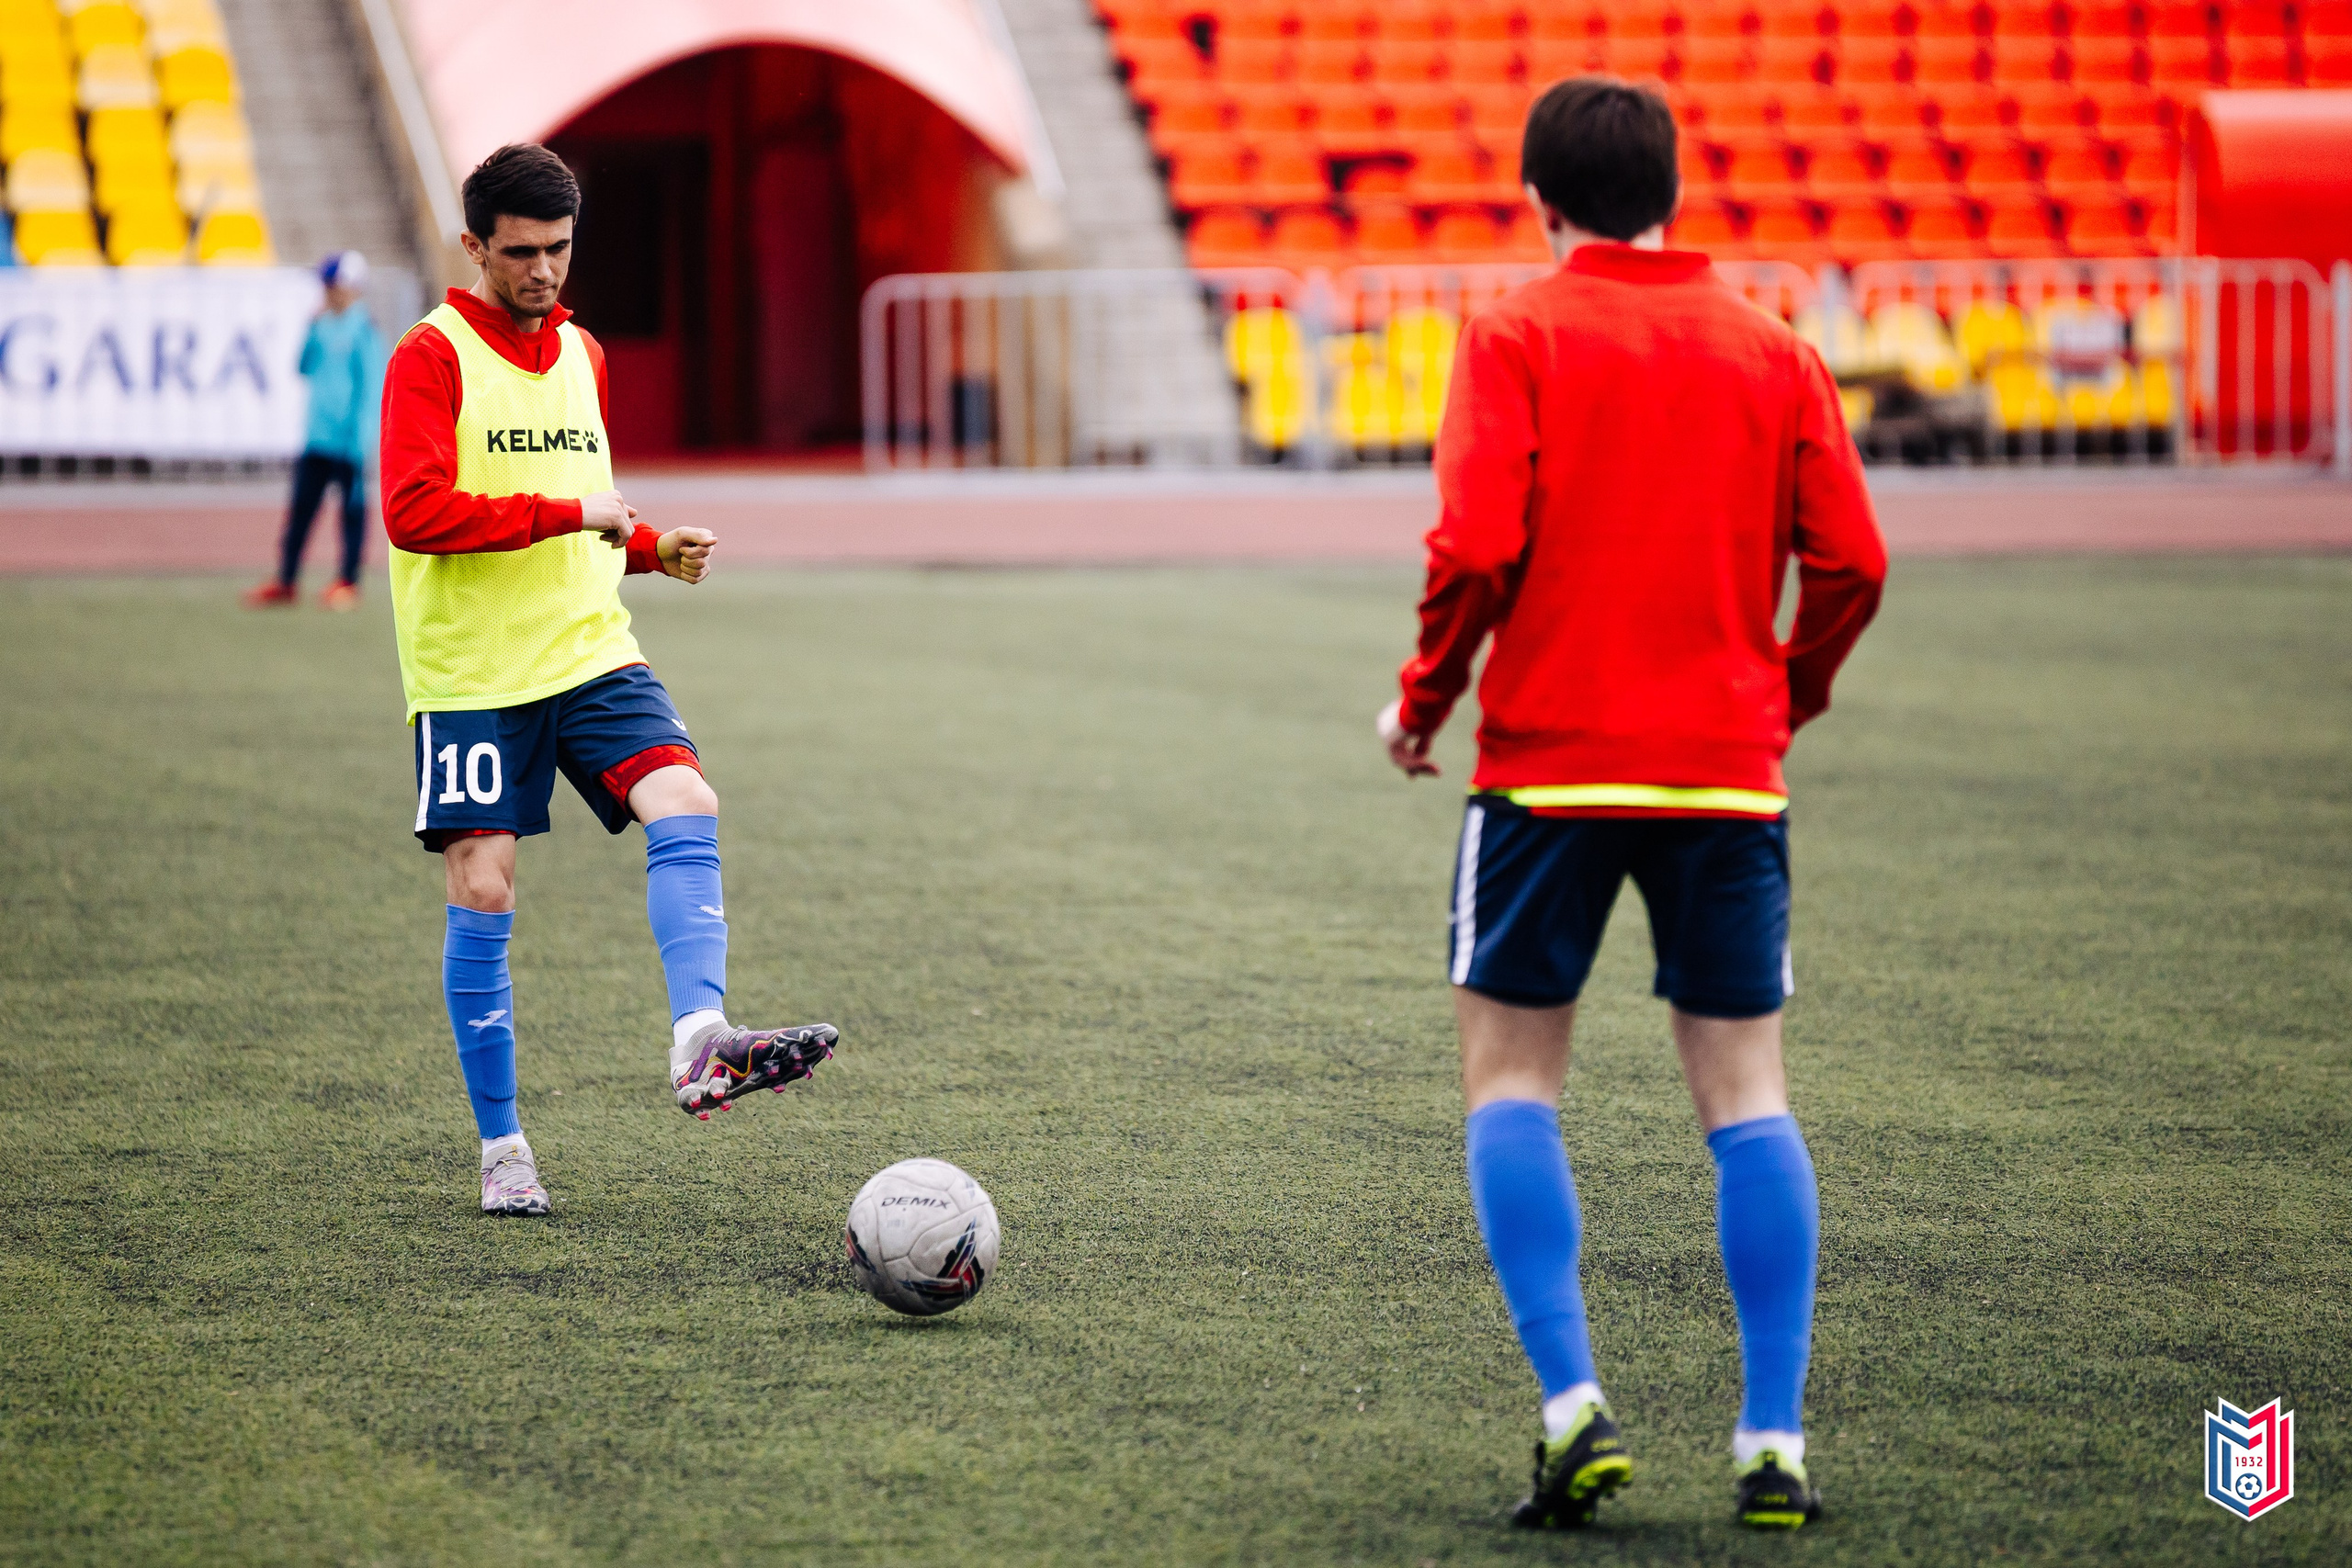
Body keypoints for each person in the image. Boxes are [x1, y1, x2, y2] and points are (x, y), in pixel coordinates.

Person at [1377, 78, 1886, 1531]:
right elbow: (1854, 561)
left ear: (1539, 200)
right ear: (1671, 195)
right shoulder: (1777, 350)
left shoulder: (1515, 332)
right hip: (1725, 768)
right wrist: (1785, 693)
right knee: (1748, 1095)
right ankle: (1772, 1439)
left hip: (1547, 765)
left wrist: (1423, 701)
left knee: (1512, 1080)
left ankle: (1573, 1406)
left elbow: (1477, 544)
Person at [378, 142, 838, 1216]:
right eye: (521, 253)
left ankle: (701, 1040)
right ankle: (503, 1149)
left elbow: (585, 509)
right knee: (483, 886)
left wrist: (647, 549)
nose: (543, 270)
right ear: (474, 246)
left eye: (560, 248)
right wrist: (571, 516)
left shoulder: (584, 353)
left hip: (589, 649)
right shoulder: (429, 356)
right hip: (471, 673)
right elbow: (413, 512)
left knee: (686, 797)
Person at [244, 251, 387, 610]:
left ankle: (348, 582)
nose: (325, 291)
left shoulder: (365, 329)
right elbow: (303, 367)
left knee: (352, 513)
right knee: (301, 511)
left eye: (331, 284)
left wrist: (361, 441)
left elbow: (372, 388)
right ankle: (286, 580)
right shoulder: (321, 325)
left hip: (349, 442)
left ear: (349, 287)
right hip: (317, 437)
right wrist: (310, 329)